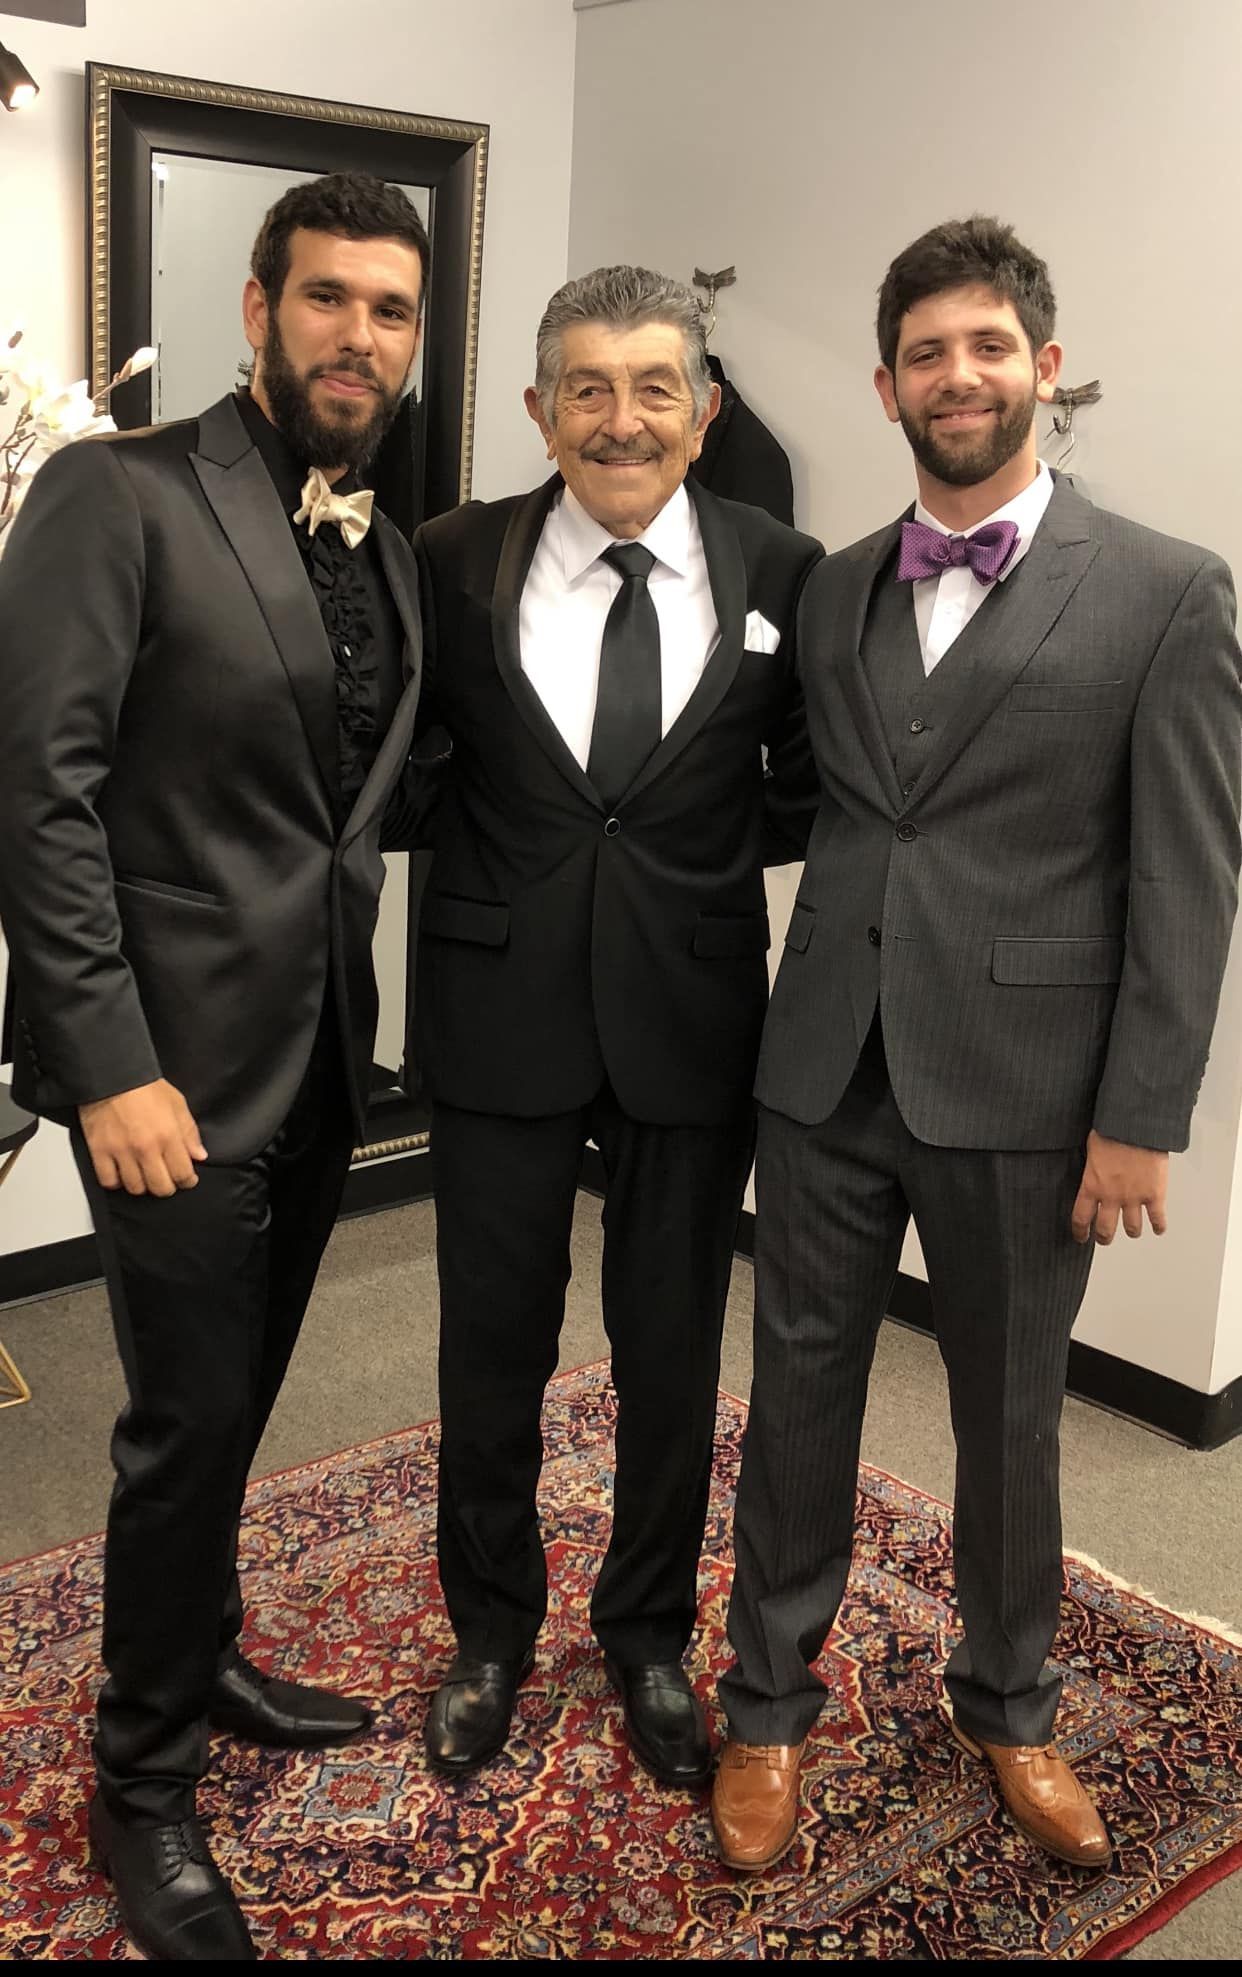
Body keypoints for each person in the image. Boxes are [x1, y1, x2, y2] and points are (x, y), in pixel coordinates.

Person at [711, 215, 1242, 1874]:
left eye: (988, 346)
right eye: (926, 352)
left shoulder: (1164, 589)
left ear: (1043, 366)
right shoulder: (832, 581)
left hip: (1026, 1092)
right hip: (821, 1066)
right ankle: (765, 1706)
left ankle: (1009, 1702)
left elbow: (1186, 869)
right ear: (885, 384)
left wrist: (1140, 1112)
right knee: (792, 1398)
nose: (959, 375)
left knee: (1009, 1414)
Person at [0, 172, 433, 1961]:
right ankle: (143, 1779)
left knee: (240, 1397)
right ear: (256, 307)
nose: (358, 335)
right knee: (181, 1425)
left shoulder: (387, 549)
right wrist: (105, 1062)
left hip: (321, 1053)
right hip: (163, 1075)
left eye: (389, 309)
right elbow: (42, 793)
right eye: (325, 297)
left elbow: (347, 816)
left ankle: (205, 1644)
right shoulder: (114, 491)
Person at [411, 266, 823, 1790]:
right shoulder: (447, 558)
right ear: (537, 408)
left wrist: (689, 877)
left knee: (668, 1353)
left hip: (692, 1018)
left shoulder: (786, 567)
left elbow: (806, 775)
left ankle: (645, 1630)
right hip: (495, 1008)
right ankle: (490, 1633)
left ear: (703, 408)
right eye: (585, 386)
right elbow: (406, 755)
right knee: (488, 1349)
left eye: (655, 385)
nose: (621, 416)